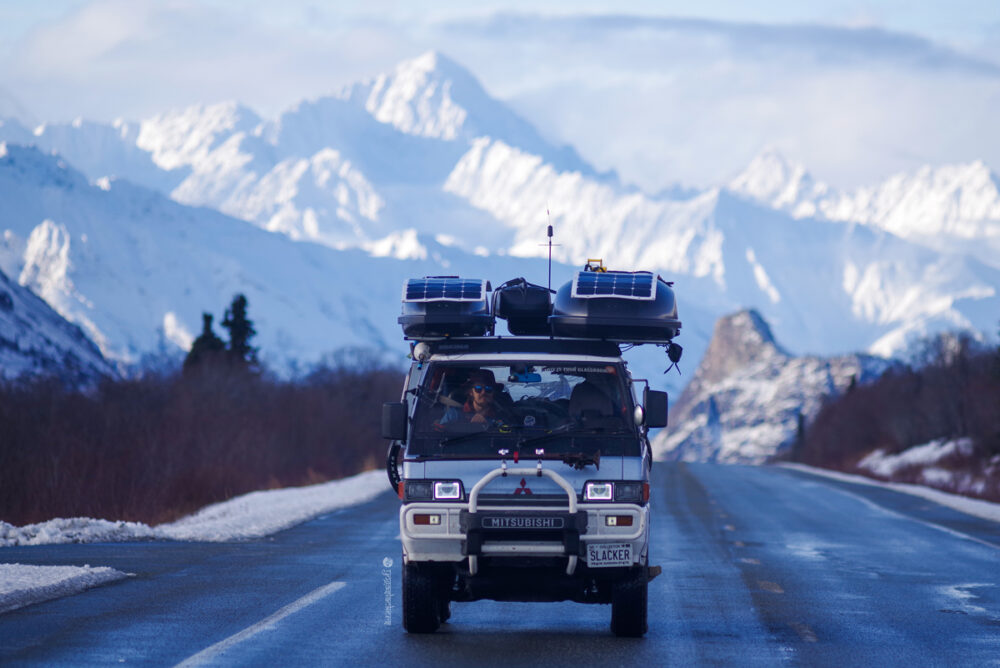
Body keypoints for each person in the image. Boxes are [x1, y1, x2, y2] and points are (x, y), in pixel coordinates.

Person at [439, 369, 509, 426]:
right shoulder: (455, 414)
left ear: (493, 393)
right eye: (478, 389)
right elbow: (440, 435)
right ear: (471, 392)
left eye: (488, 389)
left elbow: (510, 434)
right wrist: (468, 426)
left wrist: (489, 425)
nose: (483, 392)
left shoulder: (501, 415)